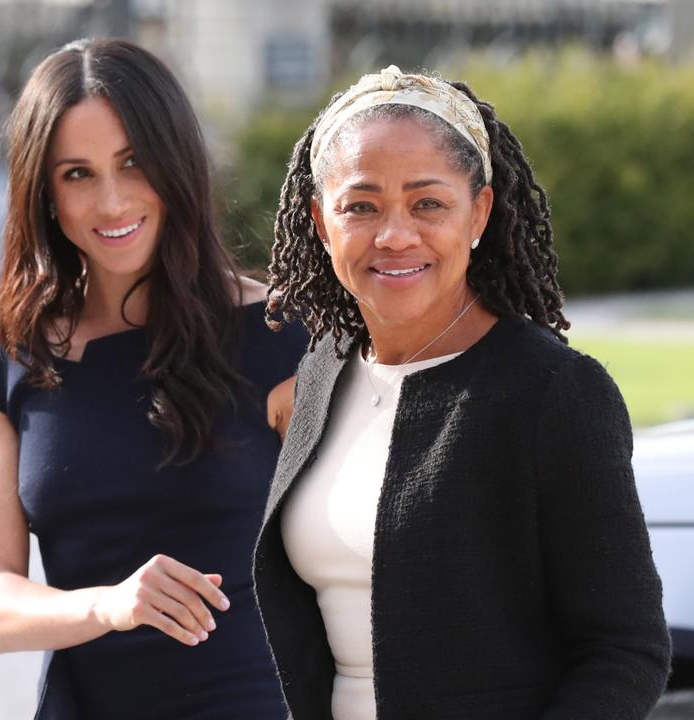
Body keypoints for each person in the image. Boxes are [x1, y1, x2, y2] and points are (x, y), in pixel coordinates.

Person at [254, 65, 672, 720]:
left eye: (429, 204)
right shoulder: (321, 375)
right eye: (361, 206)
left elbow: (625, 649)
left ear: (478, 211)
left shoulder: (553, 393)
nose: (395, 234)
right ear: (320, 220)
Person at [0, 38, 305, 719]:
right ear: (43, 192)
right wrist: (110, 605)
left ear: (176, 164)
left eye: (133, 163)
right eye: (76, 174)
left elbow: (355, 570)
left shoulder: (279, 337)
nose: (111, 202)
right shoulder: (1, 349)